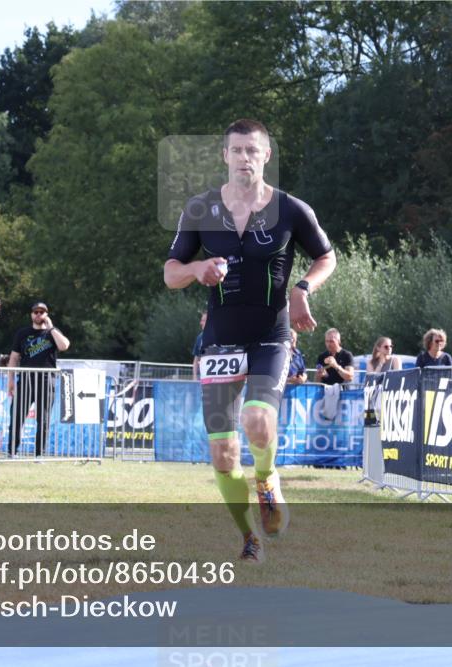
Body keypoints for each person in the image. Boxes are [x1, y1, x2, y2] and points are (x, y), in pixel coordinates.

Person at [165, 118, 337, 563]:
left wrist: (302, 290)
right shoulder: (199, 209)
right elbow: (170, 273)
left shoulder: (291, 209)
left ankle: (266, 479)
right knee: (223, 454)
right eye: (237, 150)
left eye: (252, 150)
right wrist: (196, 270)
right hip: (220, 340)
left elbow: (326, 256)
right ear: (225, 155)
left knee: (258, 420)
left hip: (270, 335)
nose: (245, 157)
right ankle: (249, 538)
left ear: (266, 156)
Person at [6, 301, 70, 457]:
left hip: (46, 380)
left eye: (42, 312)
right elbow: (14, 357)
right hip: (25, 379)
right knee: (16, 416)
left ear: (46, 314)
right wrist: (10, 380)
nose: (39, 315)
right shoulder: (22, 333)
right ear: (31, 314)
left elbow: (64, 346)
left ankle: (39, 454)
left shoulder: (53, 333)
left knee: (43, 419)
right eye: (36, 312)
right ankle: (12, 452)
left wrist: (51, 328)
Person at [191, 310, 208, 381]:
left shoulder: (220, 337)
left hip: (215, 379)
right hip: (202, 378)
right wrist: (194, 377)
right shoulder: (200, 337)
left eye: (203, 320)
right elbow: (196, 360)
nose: (200, 323)